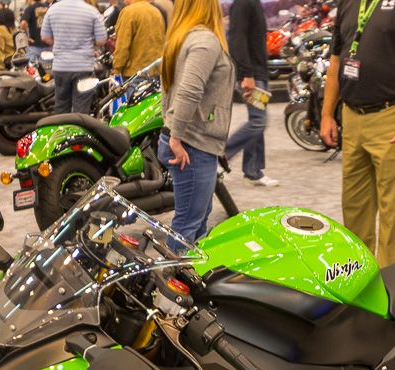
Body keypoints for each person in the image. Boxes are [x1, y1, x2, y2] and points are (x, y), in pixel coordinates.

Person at [320, 0, 395, 267]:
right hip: (352, 115)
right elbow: (336, 62)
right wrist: (326, 114)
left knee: (394, 211)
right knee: (354, 206)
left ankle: (392, 284)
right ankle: (359, 275)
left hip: (392, 115)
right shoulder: (348, 3)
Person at [157, 0, 234, 243]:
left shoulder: (182, 38)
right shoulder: (204, 41)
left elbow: (168, 89)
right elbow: (189, 92)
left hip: (188, 141)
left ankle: (192, 267)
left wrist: (170, 129)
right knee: (187, 225)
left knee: (196, 221)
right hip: (192, 144)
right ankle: (174, 267)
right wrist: (176, 136)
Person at [223, 0, 277, 187]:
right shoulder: (243, 3)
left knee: (257, 121)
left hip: (257, 73)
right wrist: (247, 74)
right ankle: (222, 155)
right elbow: (236, 40)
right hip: (251, 74)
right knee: (258, 121)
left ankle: (253, 170)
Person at [42, 0, 107, 113]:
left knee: (61, 106)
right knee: (81, 108)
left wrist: (61, 44)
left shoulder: (53, 10)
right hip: (83, 67)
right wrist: (87, 44)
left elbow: (45, 37)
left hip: (61, 67)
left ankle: (61, 124)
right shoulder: (91, 11)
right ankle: (78, 124)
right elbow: (101, 40)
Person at [112, 0, 164, 77]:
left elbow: (122, 47)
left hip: (134, 73)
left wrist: (116, 70)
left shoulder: (128, 12)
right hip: (154, 72)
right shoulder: (156, 12)